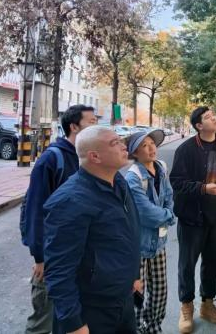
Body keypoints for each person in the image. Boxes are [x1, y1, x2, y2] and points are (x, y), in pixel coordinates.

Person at [43, 125, 141, 334]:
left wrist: (134, 275)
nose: (124, 146)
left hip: (122, 300)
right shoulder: (70, 200)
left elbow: (129, 233)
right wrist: (73, 322)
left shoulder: (119, 182)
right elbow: (59, 269)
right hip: (91, 310)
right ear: (94, 156)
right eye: (115, 143)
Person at [21, 105, 97, 334]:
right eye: (91, 121)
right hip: (54, 256)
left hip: (81, 253)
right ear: (74, 127)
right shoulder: (52, 159)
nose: (96, 125)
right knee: (43, 320)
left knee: (73, 318)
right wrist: (40, 257)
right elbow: (35, 210)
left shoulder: (88, 158)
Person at [170, 106, 216, 334]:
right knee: (187, 264)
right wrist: (203, 188)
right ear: (199, 126)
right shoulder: (186, 149)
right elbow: (177, 182)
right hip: (192, 217)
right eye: (208, 117)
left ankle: (207, 304)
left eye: (214, 115)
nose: (214, 118)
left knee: (213, 262)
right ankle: (186, 307)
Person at [125, 129, 176, 334]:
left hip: (158, 243)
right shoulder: (133, 177)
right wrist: (169, 216)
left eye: (152, 143)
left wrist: (168, 212)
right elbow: (145, 212)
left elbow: (169, 195)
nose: (150, 148)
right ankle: (137, 328)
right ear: (135, 153)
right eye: (144, 146)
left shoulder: (161, 167)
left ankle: (154, 327)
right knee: (137, 293)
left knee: (160, 291)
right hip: (138, 245)